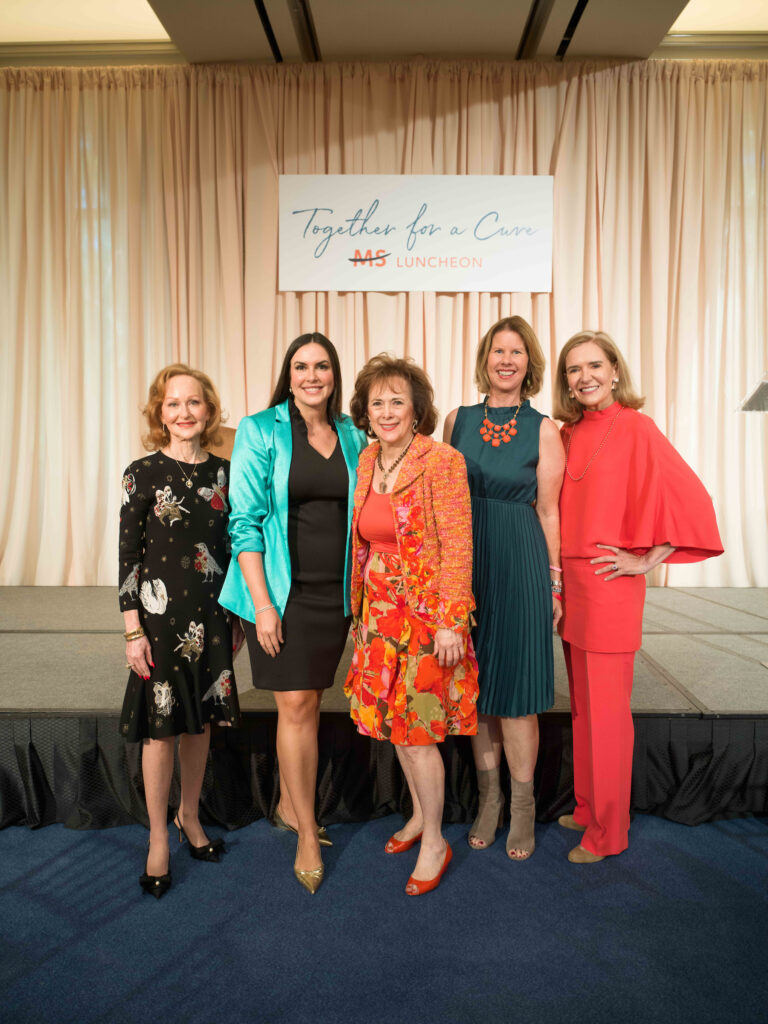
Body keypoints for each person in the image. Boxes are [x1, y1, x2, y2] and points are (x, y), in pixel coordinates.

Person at [554, 330, 723, 863]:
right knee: (582, 708)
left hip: (610, 585)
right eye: (575, 369)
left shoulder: (638, 428)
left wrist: (646, 559)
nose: (585, 377)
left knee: (607, 715)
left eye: (595, 365)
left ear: (616, 371)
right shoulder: (565, 433)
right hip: (573, 586)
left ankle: (609, 832)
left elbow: (693, 499)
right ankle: (587, 808)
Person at [219, 333, 366, 894]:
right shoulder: (261, 430)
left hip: (337, 595)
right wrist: (262, 606)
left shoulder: (353, 433)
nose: (312, 375)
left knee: (310, 700)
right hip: (279, 594)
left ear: (335, 373)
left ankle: (286, 801)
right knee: (297, 706)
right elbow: (244, 522)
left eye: (322, 366)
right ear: (289, 372)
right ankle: (307, 831)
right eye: (301, 366)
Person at [345, 355, 479, 896]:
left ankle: (435, 841)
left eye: (397, 400)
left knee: (419, 732)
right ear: (365, 412)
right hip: (377, 614)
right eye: (377, 402)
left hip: (426, 619)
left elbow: (457, 546)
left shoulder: (442, 461)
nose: (386, 411)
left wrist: (451, 620)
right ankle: (422, 817)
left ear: (417, 407)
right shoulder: (367, 460)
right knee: (394, 725)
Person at [119, 364, 243, 899]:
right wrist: (132, 631)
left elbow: (236, 549)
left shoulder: (226, 473)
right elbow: (128, 556)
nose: (184, 413)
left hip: (214, 619)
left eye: (194, 403)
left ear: (209, 412)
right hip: (159, 622)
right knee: (161, 729)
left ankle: (190, 818)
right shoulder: (140, 473)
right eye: (173, 404)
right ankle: (157, 837)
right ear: (159, 414)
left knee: (199, 725)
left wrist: (238, 614)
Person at [444, 315, 565, 860]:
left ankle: (522, 806)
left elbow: (549, 510)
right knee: (479, 692)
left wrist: (555, 583)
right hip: (467, 564)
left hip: (518, 561)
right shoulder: (456, 420)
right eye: (499, 351)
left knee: (516, 698)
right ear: (485, 358)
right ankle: (488, 799)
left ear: (529, 363)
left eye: (517, 352)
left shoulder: (544, 428)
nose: (507, 360)